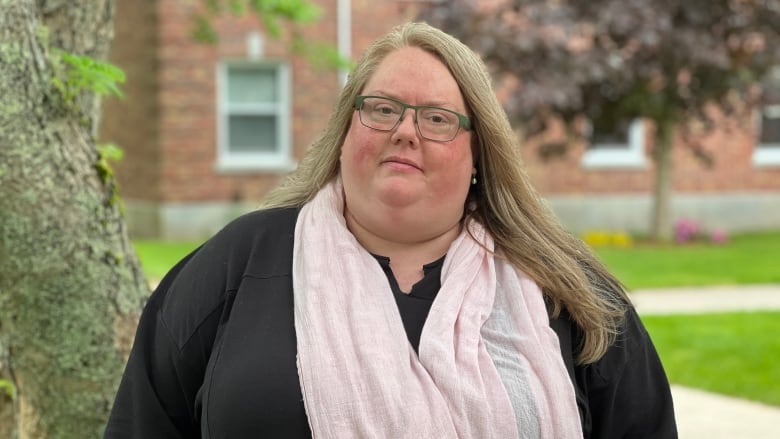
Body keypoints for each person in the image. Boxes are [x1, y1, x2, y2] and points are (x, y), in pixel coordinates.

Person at [105, 22, 677, 438]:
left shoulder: (567, 295)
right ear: (347, 129)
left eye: (436, 119)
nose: (405, 131)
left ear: (478, 153)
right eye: (381, 109)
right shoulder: (239, 264)